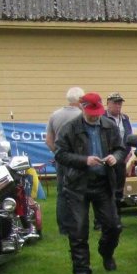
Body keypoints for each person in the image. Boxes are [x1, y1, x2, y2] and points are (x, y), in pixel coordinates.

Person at [54, 92, 125, 274]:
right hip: (77, 185)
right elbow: (60, 154)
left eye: (97, 112)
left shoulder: (109, 126)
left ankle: (106, 253)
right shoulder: (69, 128)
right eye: (91, 112)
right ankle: (82, 269)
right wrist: (84, 160)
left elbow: (120, 149)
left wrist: (114, 157)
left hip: (103, 183)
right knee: (78, 229)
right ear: (82, 108)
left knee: (113, 225)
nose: (95, 116)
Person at [46, 87, 83, 235]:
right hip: (79, 159)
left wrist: (59, 153)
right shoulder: (82, 116)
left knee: (62, 191)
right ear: (80, 99)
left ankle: (63, 227)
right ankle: (78, 224)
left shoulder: (55, 115)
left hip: (61, 160)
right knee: (80, 191)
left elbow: (49, 140)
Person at [105, 93, 133, 211]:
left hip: (122, 157)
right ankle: (100, 220)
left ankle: (116, 217)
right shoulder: (102, 118)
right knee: (106, 188)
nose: (118, 106)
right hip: (107, 157)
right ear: (108, 104)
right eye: (115, 103)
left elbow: (129, 135)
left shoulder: (125, 118)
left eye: (119, 103)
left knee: (119, 188)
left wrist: (129, 151)